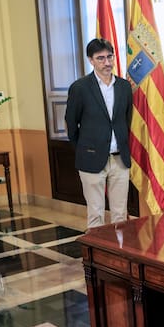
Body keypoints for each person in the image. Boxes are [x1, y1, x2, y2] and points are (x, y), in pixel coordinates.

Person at [65, 38, 134, 229]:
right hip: (91, 158)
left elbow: (126, 120)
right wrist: (84, 148)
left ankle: (119, 256)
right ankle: (97, 258)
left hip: (120, 159)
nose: (107, 62)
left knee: (120, 213)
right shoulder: (80, 88)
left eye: (109, 57)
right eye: (101, 58)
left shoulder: (124, 87)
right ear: (91, 60)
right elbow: (71, 124)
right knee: (96, 214)